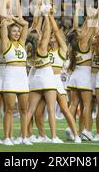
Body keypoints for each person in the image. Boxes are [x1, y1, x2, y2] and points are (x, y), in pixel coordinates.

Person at [25, 10, 63, 143]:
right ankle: (54, 137)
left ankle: (23, 137)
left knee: (30, 110)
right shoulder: (42, 48)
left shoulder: (29, 50)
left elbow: (38, 31)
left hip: (35, 79)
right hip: (47, 78)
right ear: (37, 39)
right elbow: (48, 30)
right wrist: (46, 15)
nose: (41, 35)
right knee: (51, 109)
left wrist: (40, 16)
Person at [0, 16, 31, 145]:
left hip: (22, 77)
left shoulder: (22, 43)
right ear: (9, 33)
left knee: (24, 109)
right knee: (10, 109)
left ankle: (24, 137)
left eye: (18, 31)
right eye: (14, 31)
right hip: (10, 76)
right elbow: (3, 28)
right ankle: (7, 137)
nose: (17, 33)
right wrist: (6, 23)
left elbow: (26, 25)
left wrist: (14, 18)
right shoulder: (6, 43)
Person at [66, 9, 96, 141]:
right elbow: (89, 29)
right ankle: (85, 130)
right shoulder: (83, 43)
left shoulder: (72, 45)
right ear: (78, 36)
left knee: (73, 104)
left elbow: (76, 29)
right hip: (84, 75)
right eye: (79, 32)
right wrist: (93, 15)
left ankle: (70, 129)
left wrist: (77, 11)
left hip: (75, 75)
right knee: (87, 104)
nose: (81, 31)